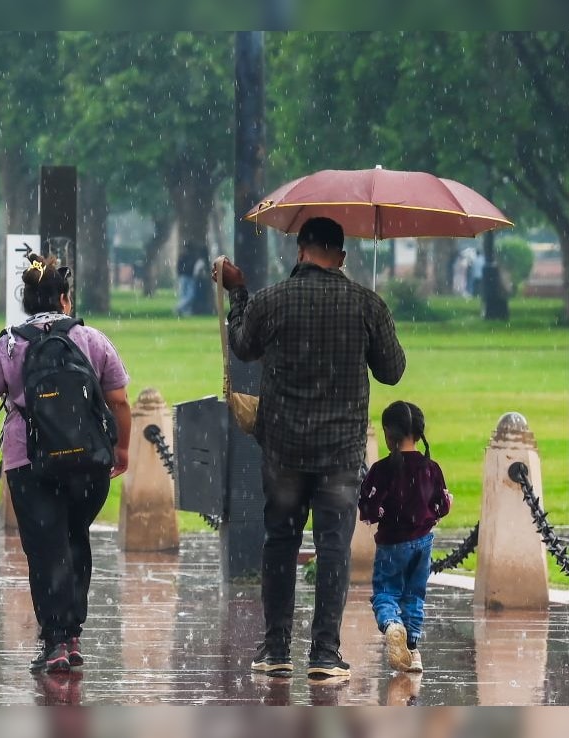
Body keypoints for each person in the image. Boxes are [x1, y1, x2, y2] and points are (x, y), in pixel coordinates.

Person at [213, 216, 406, 681]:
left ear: (300, 251)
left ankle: (276, 647)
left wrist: (238, 293)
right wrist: (379, 318)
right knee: (334, 546)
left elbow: (241, 346)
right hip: (339, 452)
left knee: (279, 541)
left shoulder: (273, 300)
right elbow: (392, 371)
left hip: (283, 449)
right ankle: (324, 652)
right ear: (340, 256)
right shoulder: (366, 304)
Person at [0, 254, 131, 674]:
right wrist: (122, 450)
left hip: (30, 462)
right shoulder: (93, 341)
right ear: (65, 300)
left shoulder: (8, 345)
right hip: (88, 461)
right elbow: (118, 400)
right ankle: (73, 631)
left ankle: (56, 639)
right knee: (75, 537)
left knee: (46, 549)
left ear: (26, 301)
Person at [358, 401, 450, 674]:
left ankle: (391, 625)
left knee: (386, 592)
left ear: (388, 434)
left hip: (390, 544)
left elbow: (368, 511)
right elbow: (440, 505)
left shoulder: (381, 469)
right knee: (414, 595)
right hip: (423, 542)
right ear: (419, 433)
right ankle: (412, 648)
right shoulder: (430, 468)